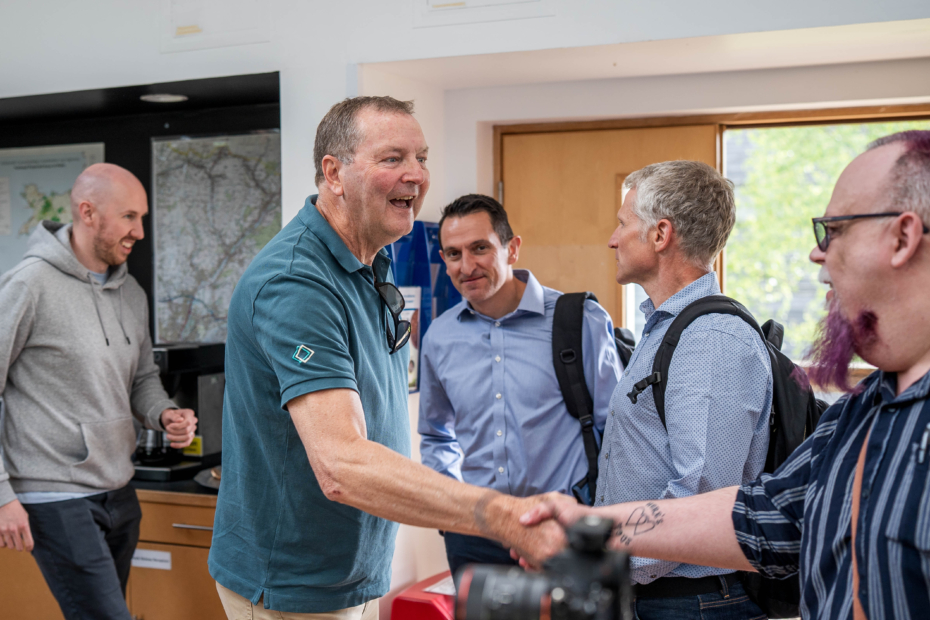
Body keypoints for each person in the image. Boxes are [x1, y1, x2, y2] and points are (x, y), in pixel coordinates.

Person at [521, 131, 930, 620]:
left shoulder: (712, 336)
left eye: (833, 230)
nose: (816, 255)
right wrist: (589, 527)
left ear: (903, 237)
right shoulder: (864, 408)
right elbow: (767, 517)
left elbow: (701, 486)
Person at [208, 97, 564, 620]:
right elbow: (342, 465)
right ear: (334, 173)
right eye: (393, 158)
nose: (417, 175)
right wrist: (500, 517)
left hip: (354, 574)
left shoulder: (372, 258)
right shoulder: (295, 283)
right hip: (294, 585)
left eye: (421, 158)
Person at [0, 163, 198, 620]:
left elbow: (143, 378)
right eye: (129, 217)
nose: (140, 231)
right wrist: (3, 496)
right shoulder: (29, 286)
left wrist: (164, 413)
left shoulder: (131, 293)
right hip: (53, 494)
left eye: (142, 217)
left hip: (118, 489)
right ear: (88, 213)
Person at [580, 161, 774, 618]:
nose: (612, 238)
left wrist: (607, 558)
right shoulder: (667, 328)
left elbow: (700, 499)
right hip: (660, 596)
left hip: (694, 601)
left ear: (660, 235)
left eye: (624, 223)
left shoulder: (711, 339)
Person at [418, 193, 622, 576]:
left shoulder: (580, 320)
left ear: (512, 249)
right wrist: (452, 510)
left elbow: (618, 430)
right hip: (475, 532)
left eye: (480, 248)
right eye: (453, 253)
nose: (467, 266)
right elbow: (435, 435)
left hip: (562, 528)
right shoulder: (439, 337)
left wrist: (601, 515)